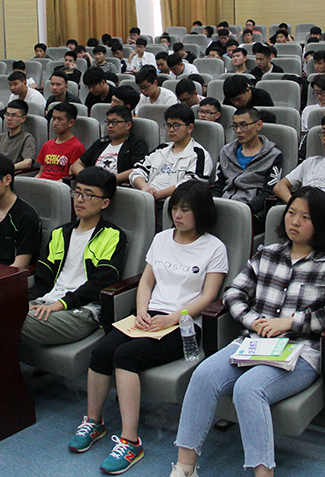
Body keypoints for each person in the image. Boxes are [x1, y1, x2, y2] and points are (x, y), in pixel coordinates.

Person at [170, 186, 325, 477]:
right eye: (291, 213)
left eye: (305, 217)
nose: (294, 221)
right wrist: (254, 320)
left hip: (299, 352)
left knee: (249, 388)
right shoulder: (267, 254)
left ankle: (263, 473)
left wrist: (291, 322)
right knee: (203, 375)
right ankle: (184, 468)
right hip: (253, 342)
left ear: (320, 223)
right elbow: (233, 294)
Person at [74, 181, 227, 475]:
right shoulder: (161, 239)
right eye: (174, 208)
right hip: (149, 317)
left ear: (201, 213)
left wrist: (173, 318)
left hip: (185, 324)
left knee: (126, 355)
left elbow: (209, 296)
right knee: (102, 351)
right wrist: (142, 309)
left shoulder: (214, 247)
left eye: (185, 210)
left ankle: (130, 441)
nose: (177, 215)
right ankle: (94, 422)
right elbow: (146, 282)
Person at [21, 166, 127, 354]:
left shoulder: (113, 236)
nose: (79, 199)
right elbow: (43, 280)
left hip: (81, 310)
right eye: (77, 192)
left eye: (88, 195)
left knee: (9, 321)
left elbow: (101, 282)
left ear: (104, 203)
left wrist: (62, 303)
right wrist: (23, 301)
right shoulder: (59, 234)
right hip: (47, 302)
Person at [210, 107, 283, 234]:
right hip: (223, 206)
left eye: (244, 125)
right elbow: (218, 185)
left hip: (252, 211)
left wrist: (245, 209)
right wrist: (213, 206)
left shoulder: (273, 155)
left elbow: (268, 192)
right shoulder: (226, 152)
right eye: (235, 126)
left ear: (258, 125)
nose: (238, 131)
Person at [130, 104, 214, 200]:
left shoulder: (199, 154)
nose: (171, 130)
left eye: (176, 126)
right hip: (147, 198)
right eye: (168, 126)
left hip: (173, 202)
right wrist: (145, 187)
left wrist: (157, 195)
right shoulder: (161, 149)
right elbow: (137, 171)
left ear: (190, 128)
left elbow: (191, 185)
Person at [72, 105, 148, 184]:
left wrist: (109, 181)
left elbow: (138, 169)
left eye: (115, 122)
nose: (110, 126)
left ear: (128, 125)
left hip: (117, 186)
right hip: (92, 184)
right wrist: (86, 178)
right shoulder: (101, 143)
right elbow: (77, 164)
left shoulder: (136, 143)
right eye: (108, 122)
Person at [0, 100, 37, 171]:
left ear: (23, 118)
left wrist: (6, 168)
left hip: (11, 173)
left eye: (14, 115)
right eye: (7, 114)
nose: (9, 118)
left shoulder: (27, 138)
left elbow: (27, 163)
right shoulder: (1, 137)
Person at [35, 101, 85, 181]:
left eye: (60, 119)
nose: (55, 123)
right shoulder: (47, 145)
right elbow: (41, 173)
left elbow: (69, 177)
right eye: (54, 118)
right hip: (42, 182)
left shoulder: (76, 147)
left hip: (58, 185)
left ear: (71, 123)